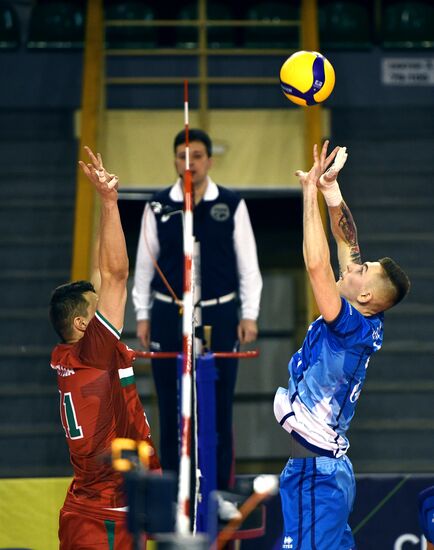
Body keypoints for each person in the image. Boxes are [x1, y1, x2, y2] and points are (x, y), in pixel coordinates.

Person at [274, 141, 410, 549]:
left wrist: (307, 193)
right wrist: (331, 192)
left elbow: (316, 264)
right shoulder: (365, 314)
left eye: (361, 270)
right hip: (318, 468)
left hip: (317, 473)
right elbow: (346, 243)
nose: (351, 266)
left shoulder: (349, 327)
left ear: (365, 295)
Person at [132, 128, 262, 490]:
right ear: (174, 159)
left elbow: (248, 265)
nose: (190, 162)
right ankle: (176, 489)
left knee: (219, 407)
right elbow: (144, 266)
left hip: (220, 316)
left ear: (210, 159)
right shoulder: (158, 206)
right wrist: (142, 314)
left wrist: (249, 314)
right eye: (182, 155)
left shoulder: (232, 204)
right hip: (168, 314)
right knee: (171, 407)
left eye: (198, 155)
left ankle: (219, 489)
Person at [49, 146, 160, 550]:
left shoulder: (68, 355)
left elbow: (100, 275)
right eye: (96, 316)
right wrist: (111, 201)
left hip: (87, 506)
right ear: (82, 325)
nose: (106, 320)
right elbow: (115, 275)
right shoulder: (94, 352)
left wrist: (101, 204)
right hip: (107, 513)